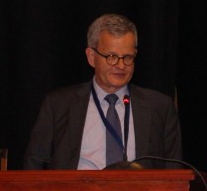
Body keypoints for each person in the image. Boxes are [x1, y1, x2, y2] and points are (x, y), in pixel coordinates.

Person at [23, 13, 182, 169]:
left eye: (128, 57)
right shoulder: (58, 105)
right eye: (112, 56)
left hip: (139, 187)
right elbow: (33, 166)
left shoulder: (160, 107)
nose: (121, 66)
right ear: (91, 57)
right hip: (78, 186)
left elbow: (174, 173)